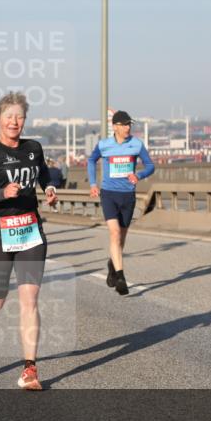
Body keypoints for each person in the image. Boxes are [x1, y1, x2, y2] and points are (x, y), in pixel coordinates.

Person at [0, 92, 58, 391]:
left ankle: (29, 369)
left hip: (29, 232)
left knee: (29, 300)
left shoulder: (33, 148)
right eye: (9, 117)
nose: (14, 122)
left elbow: (42, 173)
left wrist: (50, 187)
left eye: (19, 117)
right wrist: (1, 193)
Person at [87, 111, 155, 295]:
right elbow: (91, 160)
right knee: (115, 233)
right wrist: (93, 184)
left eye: (129, 124)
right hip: (109, 194)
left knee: (121, 238)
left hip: (128, 196)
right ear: (115, 126)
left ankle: (112, 263)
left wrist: (138, 175)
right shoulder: (104, 145)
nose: (127, 128)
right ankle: (121, 277)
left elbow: (150, 165)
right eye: (124, 124)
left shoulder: (136, 144)